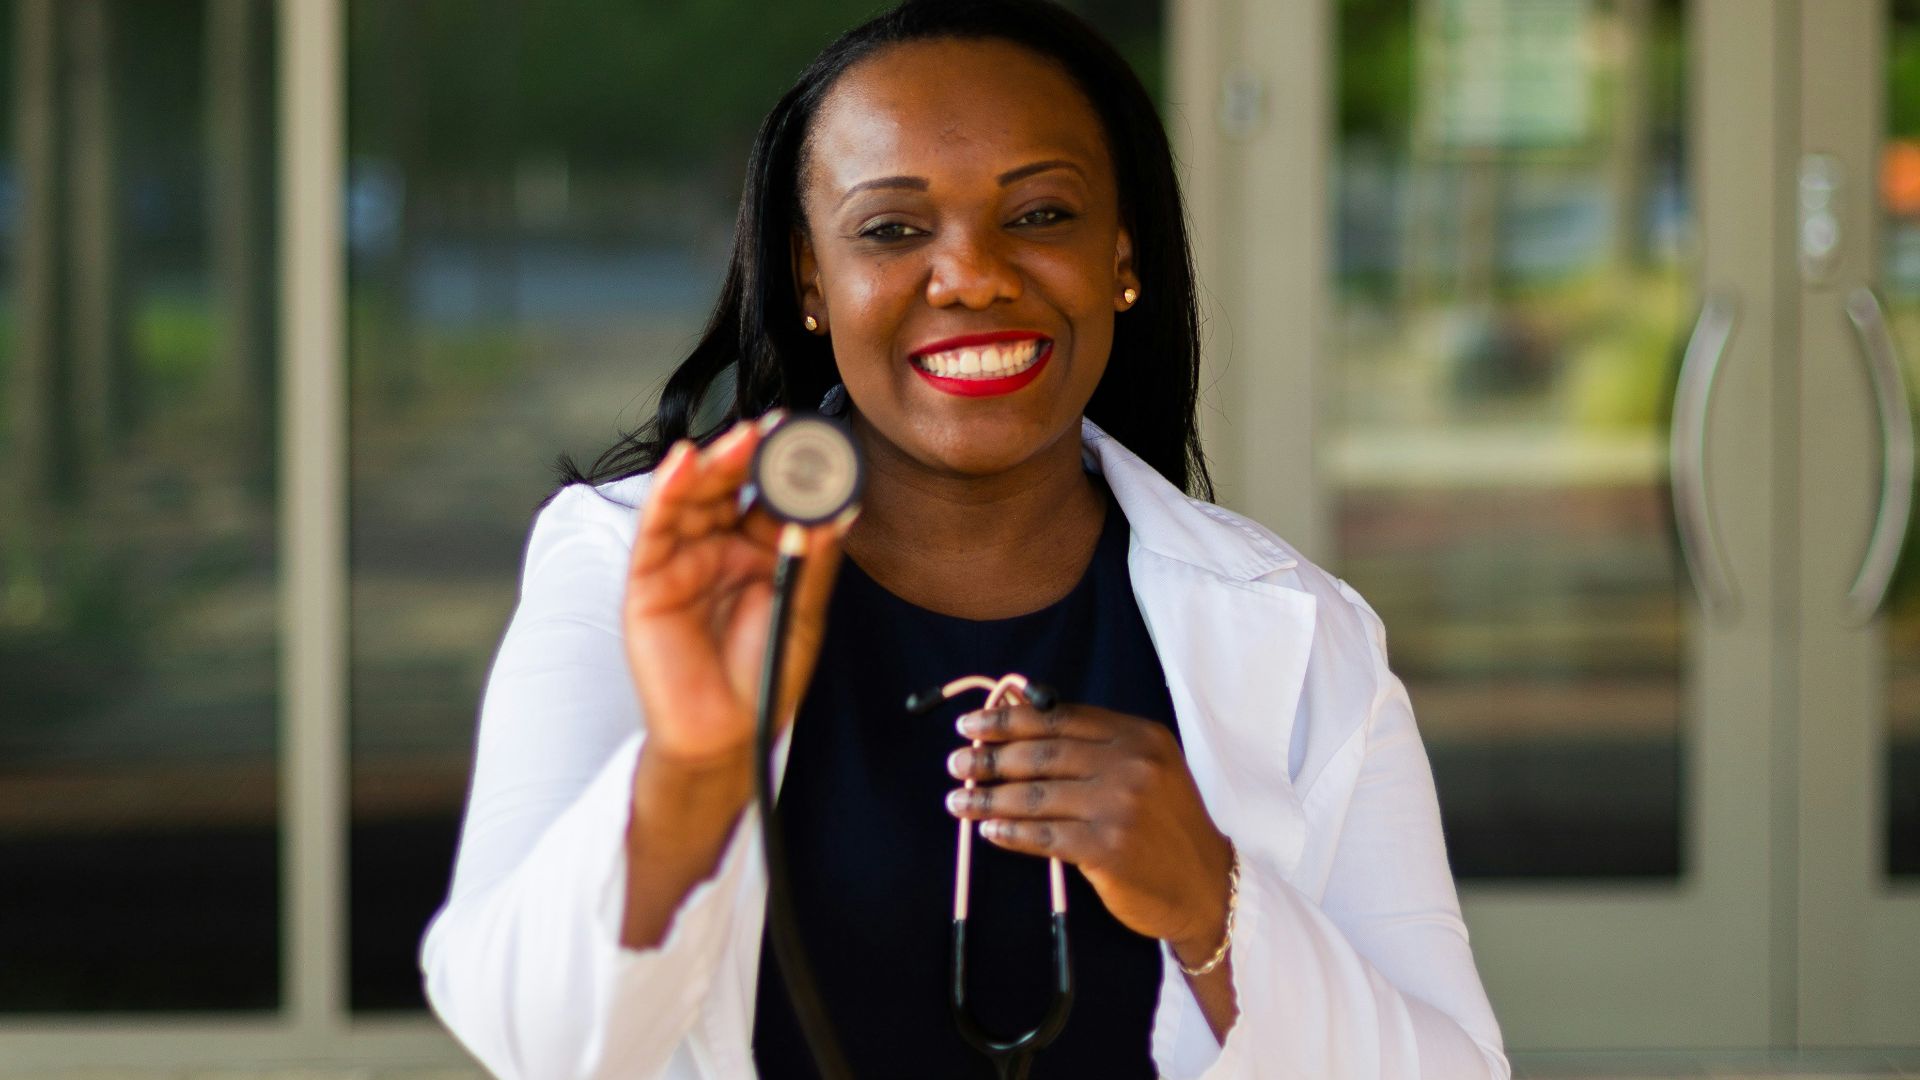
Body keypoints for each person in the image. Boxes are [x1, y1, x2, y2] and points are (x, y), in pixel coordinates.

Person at [419, 1, 1508, 1076]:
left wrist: (1214, 908)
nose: (973, 274)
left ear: (1122, 254)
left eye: (1040, 215)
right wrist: (691, 773)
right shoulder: (628, 569)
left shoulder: (1303, 633)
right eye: (892, 230)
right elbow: (537, 1042)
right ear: (811, 279)